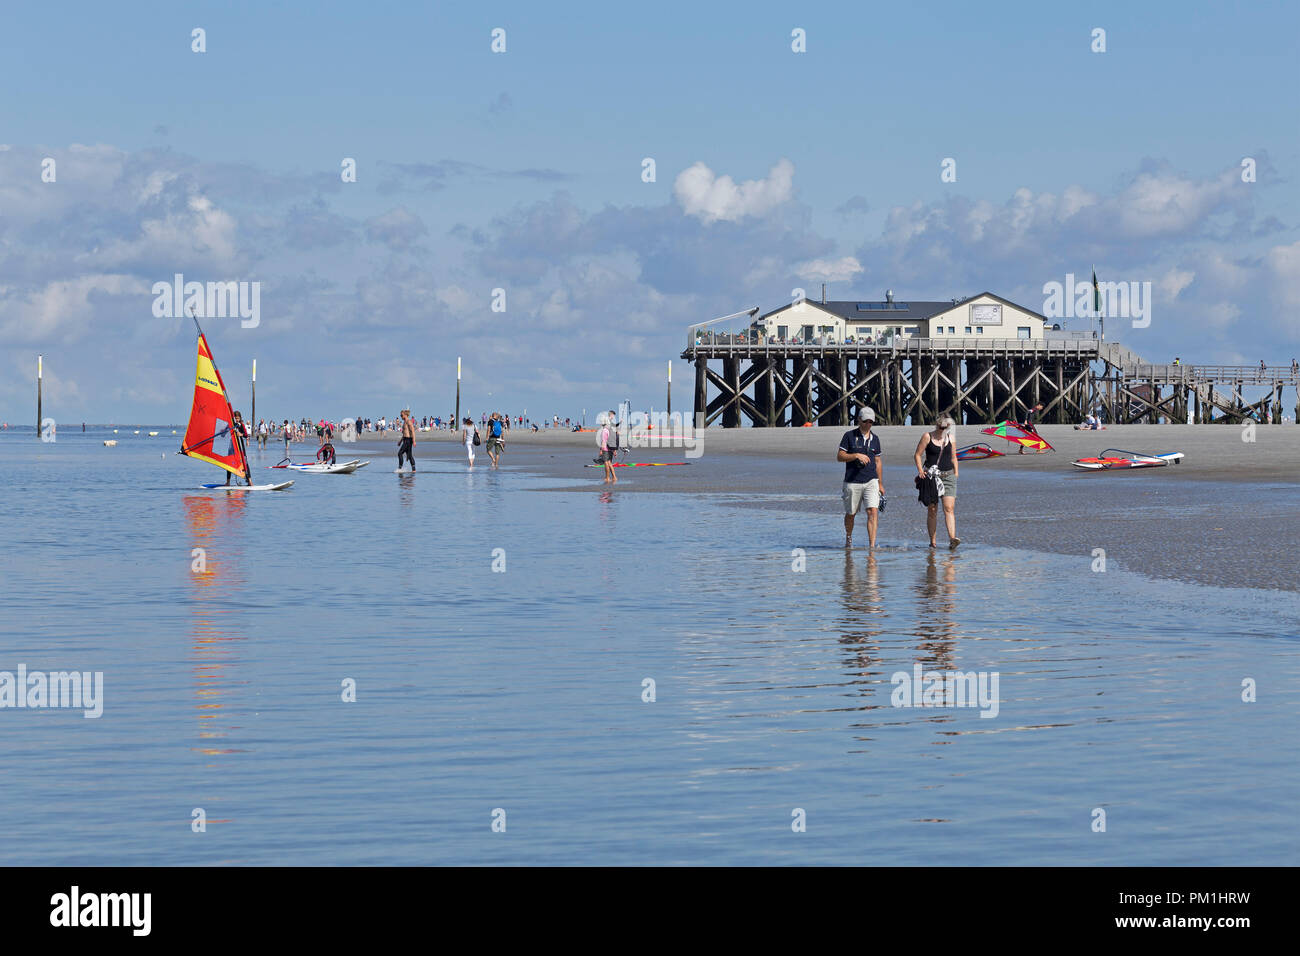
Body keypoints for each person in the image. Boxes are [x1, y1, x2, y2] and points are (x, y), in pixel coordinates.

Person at [837, 407, 884, 548]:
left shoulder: (875, 439)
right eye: (865, 421)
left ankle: (872, 546)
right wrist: (856, 455)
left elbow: (878, 461)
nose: (868, 424)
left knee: (873, 511)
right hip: (852, 481)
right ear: (859, 420)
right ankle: (849, 537)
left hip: (871, 480)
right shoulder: (849, 436)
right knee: (851, 513)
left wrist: (881, 483)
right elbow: (840, 456)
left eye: (871, 422)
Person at [914, 416, 960, 550]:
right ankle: (933, 542)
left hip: (948, 476)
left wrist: (956, 472)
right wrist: (920, 470)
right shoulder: (927, 436)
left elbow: (953, 456)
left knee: (949, 508)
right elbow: (917, 455)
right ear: (937, 425)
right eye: (941, 427)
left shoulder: (951, 438)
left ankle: (952, 539)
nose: (942, 430)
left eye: (945, 428)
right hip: (931, 477)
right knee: (932, 510)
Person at [225, 410, 249, 486]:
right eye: (236, 418)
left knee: (244, 463)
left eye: (238, 418)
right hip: (232, 447)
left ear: (240, 418)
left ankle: (248, 480)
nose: (237, 420)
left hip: (240, 447)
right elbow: (224, 433)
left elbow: (246, 435)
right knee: (229, 463)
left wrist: (240, 434)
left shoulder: (241, 425)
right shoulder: (231, 424)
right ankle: (228, 482)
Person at [597, 415, 617, 484]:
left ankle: (607, 478)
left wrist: (601, 450)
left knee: (606, 463)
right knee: (609, 463)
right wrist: (614, 450)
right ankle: (614, 477)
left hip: (606, 448)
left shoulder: (604, 430)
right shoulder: (610, 429)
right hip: (611, 448)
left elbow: (604, 441)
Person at [397, 408, 416, 472]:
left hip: (408, 440)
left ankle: (400, 469)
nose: (401, 417)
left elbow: (413, 431)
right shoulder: (404, 422)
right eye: (400, 416)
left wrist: (414, 441)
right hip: (405, 439)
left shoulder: (409, 422)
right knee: (409, 455)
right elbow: (404, 433)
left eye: (401, 415)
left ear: (405, 415)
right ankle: (414, 470)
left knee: (400, 453)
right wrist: (400, 441)